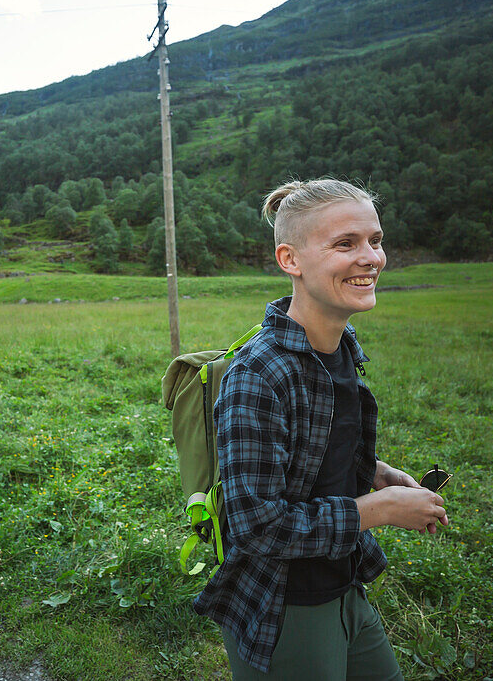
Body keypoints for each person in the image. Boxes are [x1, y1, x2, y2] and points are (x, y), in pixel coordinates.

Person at [195, 179, 449, 680]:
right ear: (290, 260)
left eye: (374, 240)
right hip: (285, 605)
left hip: (345, 584)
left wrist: (375, 472)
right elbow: (257, 525)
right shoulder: (259, 374)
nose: (371, 257)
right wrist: (378, 511)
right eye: (344, 244)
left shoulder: (340, 346)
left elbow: (311, 448)